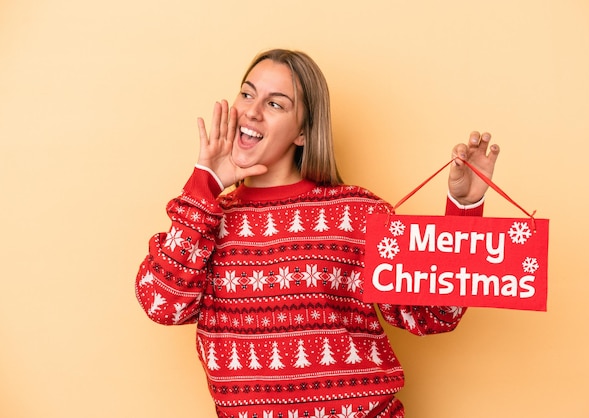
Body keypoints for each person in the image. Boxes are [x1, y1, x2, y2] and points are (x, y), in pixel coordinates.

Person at [135, 48, 500, 418]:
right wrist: (205, 184)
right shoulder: (206, 220)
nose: (252, 110)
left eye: (276, 104)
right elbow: (162, 305)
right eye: (247, 94)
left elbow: (435, 314)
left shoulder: (356, 214)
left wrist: (464, 208)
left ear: (304, 132)